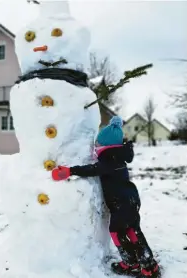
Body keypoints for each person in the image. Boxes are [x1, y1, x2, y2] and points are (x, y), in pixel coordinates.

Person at [51, 116, 161, 278]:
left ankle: (134, 264)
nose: (95, 146)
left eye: (98, 144)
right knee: (133, 230)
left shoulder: (109, 159)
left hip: (121, 203)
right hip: (128, 199)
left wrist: (70, 171)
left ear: (107, 146)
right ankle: (147, 264)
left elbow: (92, 169)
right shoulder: (116, 157)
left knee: (117, 231)